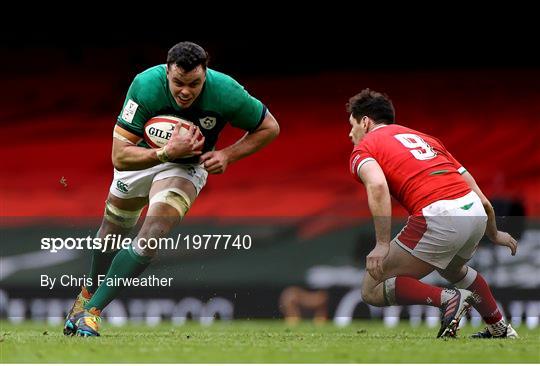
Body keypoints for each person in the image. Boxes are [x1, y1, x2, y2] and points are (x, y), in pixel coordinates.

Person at [63, 41, 280, 337]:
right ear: (167, 73)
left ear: (206, 74)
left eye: (194, 83)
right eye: (178, 82)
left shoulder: (227, 92)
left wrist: (227, 154)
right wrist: (166, 151)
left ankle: (92, 313)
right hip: (142, 159)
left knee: (151, 236)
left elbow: (270, 127)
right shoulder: (145, 85)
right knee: (109, 235)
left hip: (186, 168)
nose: (186, 91)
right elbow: (119, 155)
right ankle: (85, 296)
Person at [347, 89, 518, 338]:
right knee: (453, 270)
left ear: (365, 121)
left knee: (371, 288)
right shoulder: (426, 139)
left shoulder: (365, 147)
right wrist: (493, 233)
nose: (350, 134)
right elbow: (480, 197)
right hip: (474, 215)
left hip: (439, 216)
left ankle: (449, 300)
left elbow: (377, 186)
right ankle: (500, 328)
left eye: (351, 125)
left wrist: (382, 244)